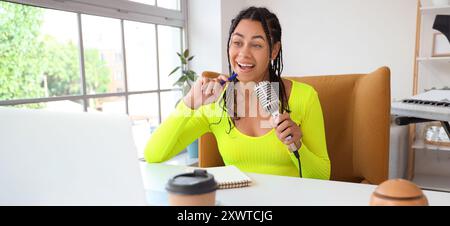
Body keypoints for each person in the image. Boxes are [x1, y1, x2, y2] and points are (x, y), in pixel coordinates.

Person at [145, 6, 330, 179]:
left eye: (256, 45)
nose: (243, 53)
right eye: (237, 42)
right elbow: (153, 154)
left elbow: (322, 176)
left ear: (274, 51)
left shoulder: (304, 97)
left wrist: (296, 146)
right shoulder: (215, 103)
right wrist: (189, 104)